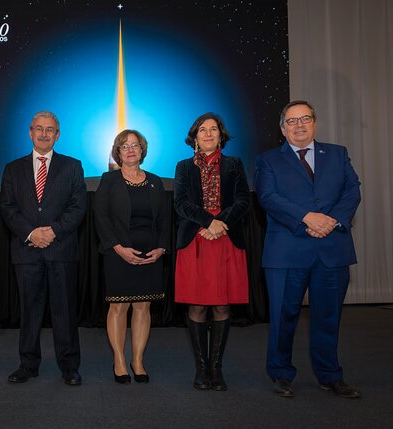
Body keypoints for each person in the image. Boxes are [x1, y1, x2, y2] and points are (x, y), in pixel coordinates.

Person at [255, 100, 361, 399]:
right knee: (283, 316)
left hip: (332, 247)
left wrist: (333, 221)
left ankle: (330, 375)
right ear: (282, 128)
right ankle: (281, 373)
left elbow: (353, 190)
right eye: (291, 121)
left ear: (314, 122)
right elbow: (267, 196)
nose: (299, 125)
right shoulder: (268, 160)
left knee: (328, 317)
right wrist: (306, 218)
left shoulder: (337, 154)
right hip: (286, 251)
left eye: (305, 119)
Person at [0, 111, 87, 386]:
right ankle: (28, 364)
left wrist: (53, 231)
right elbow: (8, 208)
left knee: (64, 311)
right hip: (26, 251)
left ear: (58, 135)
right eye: (39, 128)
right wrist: (30, 233)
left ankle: (70, 366)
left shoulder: (73, 166)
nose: (44, 133)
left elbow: (78, 207)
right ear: (30, 132)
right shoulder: (13, 168)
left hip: (61, 249)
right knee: (29, 311)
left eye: (50, 129)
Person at [174, 113, 250, 391]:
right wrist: (208, 223)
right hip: (196, 236)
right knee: (197, 304)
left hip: (226, 238)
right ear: (194, 137)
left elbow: (243, 200)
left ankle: (216, 369)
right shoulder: (183, 167)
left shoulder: (234, 165)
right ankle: (201, 368)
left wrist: (221, 224)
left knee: (221, 304)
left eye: (213, 129)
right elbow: (180, 203)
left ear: (221, 135)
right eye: (202, 130)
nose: (208, 134)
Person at [93, 130, 169, 384]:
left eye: (135, 145)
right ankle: (119, 360)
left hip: (150, 254)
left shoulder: (156, 182)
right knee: (118, 306)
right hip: (118, 253)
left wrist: (161, 248)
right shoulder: (109, 180)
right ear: (118, 151)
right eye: (124, 146)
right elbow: (101, 217)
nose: (130, 150)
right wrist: (117, 247)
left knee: (143, 306)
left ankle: (138, 360)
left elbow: (165, 220)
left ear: (142, 150)